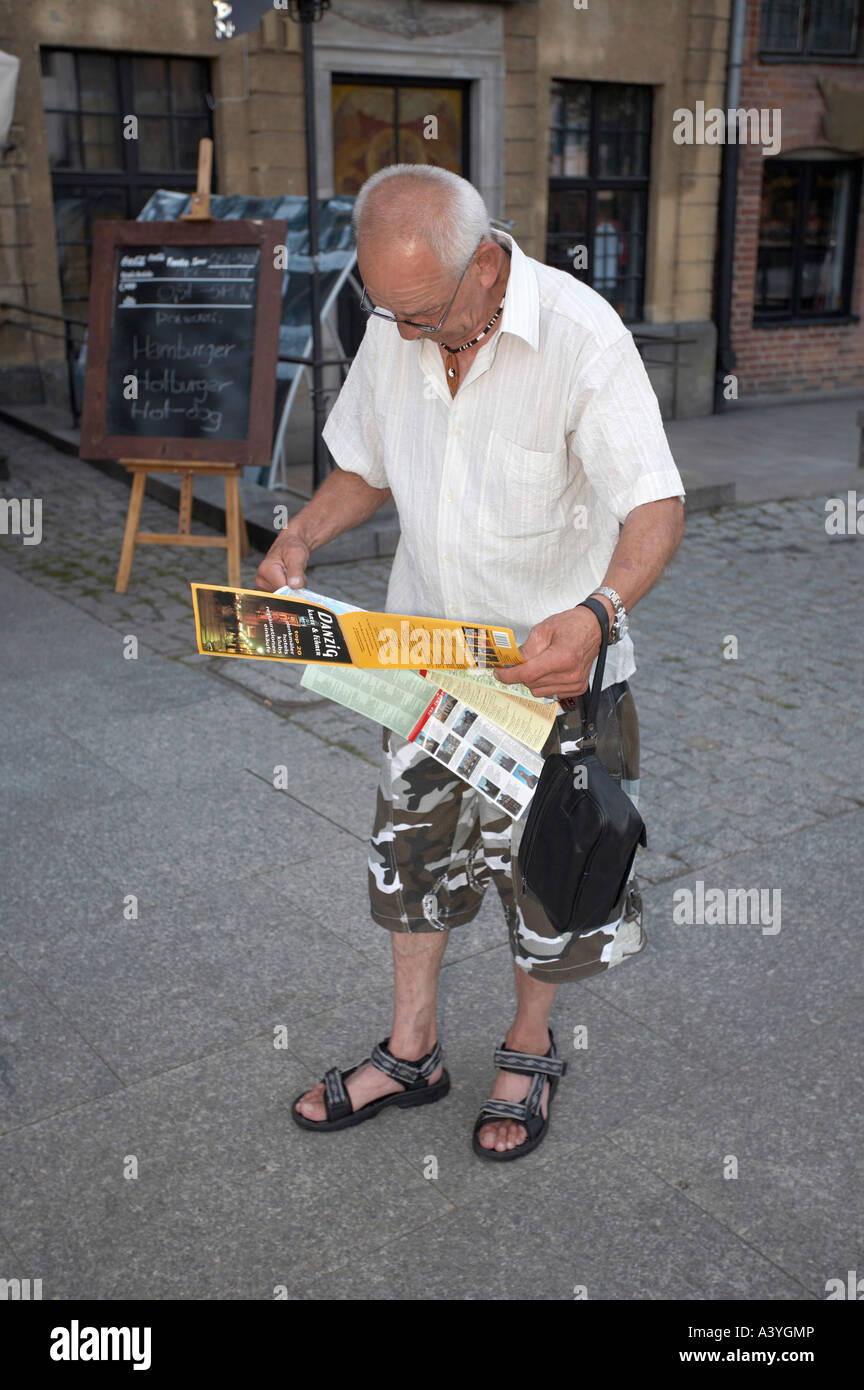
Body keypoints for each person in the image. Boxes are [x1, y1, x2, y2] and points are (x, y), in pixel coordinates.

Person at [256, 163, 685, 1160]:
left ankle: (527, 1049)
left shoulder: (581, 339)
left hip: (555, 676)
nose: (404, 334)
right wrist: (302, 538)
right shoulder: (396, 324)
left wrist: (599, 610)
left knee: (551, 883)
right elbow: (365, 460)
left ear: (488, 264)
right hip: (425, 667)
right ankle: (413, 1053)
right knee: (412, 868)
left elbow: (655, 504)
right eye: (388, 312)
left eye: (424, 313)